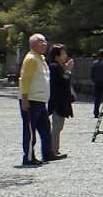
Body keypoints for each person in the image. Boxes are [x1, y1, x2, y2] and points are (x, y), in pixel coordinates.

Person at [19, 33, 57, 166]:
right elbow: (24, 79)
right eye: (41, 42)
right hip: (31, 100)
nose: (44, 44)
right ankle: (28, 157)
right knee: (30, 129)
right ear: (33, 44)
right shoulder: (31, 59)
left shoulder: (41, 58)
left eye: (45, 41)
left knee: (45, 128)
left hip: (40, 100)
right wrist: (24, 98)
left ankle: (48, 153)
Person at [47, 43, 74, 159]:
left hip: (60, 100)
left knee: (58, 125)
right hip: (58, 101)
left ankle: (54, 148)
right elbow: (64, 81)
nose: (65, 55)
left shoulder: (58, 67)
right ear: (57, 56)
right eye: (63, 53)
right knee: (57, 126)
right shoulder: (54, 67)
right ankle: (53, 149)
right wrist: (68, 71)